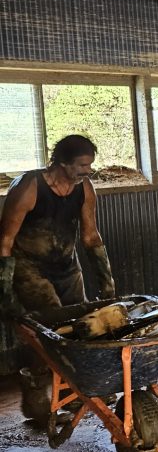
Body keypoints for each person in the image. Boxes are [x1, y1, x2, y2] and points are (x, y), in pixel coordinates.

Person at [0, 134, 116, 319]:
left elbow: (91, 236)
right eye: (83, 165)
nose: (89, 171)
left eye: (90, 165)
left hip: (66, 265)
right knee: (54, 321)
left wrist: (107, 283)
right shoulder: (29, 187)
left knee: (82, 320)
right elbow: (5, 239)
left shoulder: (85, 187)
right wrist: (5, 292)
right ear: (63, 162)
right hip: (29, 268)